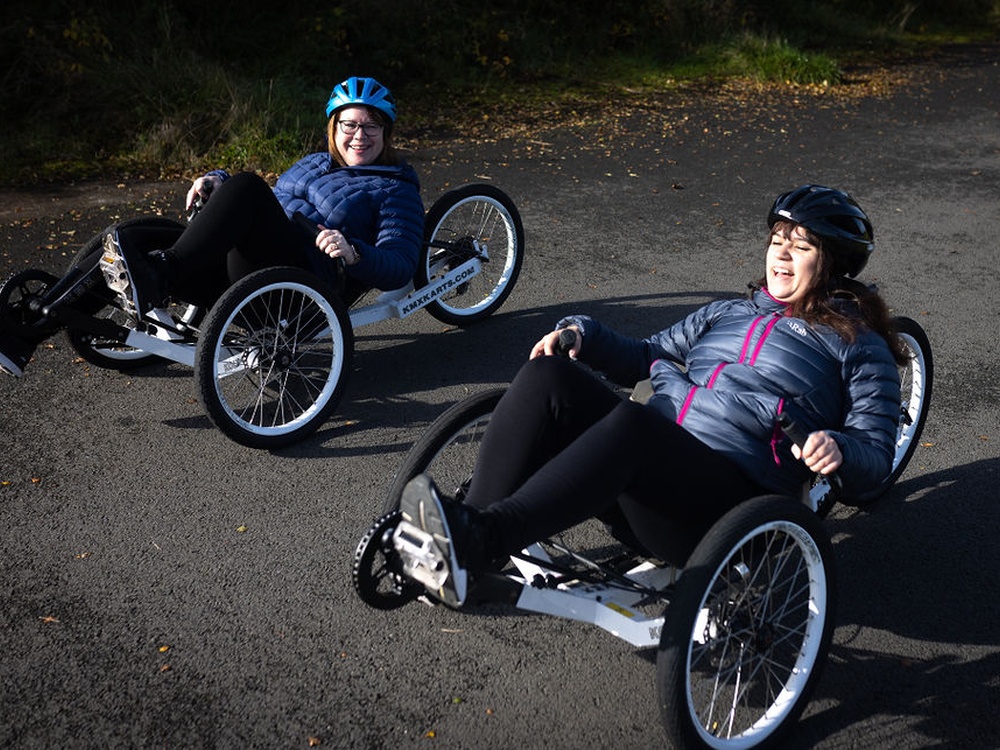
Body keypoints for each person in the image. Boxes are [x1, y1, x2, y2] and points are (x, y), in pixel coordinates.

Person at [393, 184, 907, 608]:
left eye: (802, 246)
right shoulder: (728, 313)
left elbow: (876, 454)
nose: (782, 255)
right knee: (549, 376)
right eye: (778, 240)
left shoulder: (856, 344)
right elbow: (644, 354)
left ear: (833, 264)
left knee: (637, 425)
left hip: (719, 509)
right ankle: (463, 545)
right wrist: (580, 336)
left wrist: (837, 447)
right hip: (645, 478)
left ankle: (487, 536)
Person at [0, 76, 424, 377]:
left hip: (297, 290)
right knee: (130, 237)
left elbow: (402, 263)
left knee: (245, 188)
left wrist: (354, 252)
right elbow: (267, 204)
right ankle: (31, 329)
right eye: (349, 124)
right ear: (334, 128)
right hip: (244, 268)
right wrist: (216, 181)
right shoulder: (314, 162)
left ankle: (159, 275)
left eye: (372, 125)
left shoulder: (394, 187)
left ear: (386, 133)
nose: (359, 134)